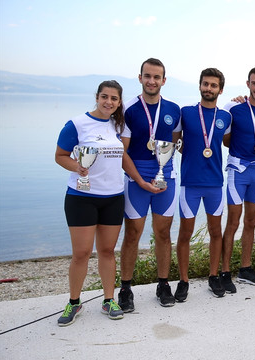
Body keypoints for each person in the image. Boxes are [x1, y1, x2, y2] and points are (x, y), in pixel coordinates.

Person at [55, 80, 126, 326]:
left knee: (107, 252)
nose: (108, 102)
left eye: (114, 99)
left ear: (119, 102)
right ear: (97, 97)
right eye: (104, 96)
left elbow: (123, 156)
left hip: (114, 197)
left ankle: (109, 299)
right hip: (81, 197)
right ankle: (74, 302)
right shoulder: (76, 123)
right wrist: (78, 166)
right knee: (81, 254)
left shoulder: (118, 124)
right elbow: (60, 155)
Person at [118, 58, 182, 310]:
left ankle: (163, 284)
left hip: (167, 179)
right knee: (132, 234)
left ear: (164, 81)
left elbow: (175, 142)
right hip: (136, 179)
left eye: (157, 77)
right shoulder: (128, 108)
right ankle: (125, 288)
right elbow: (122, 153)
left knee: (163, 234)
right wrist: (140, 181)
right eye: (147, 76)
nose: (152, 81)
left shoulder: (174, 109)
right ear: (140, 77)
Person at [176, 68, 232, 299]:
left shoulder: (225, 117)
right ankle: (183, 280)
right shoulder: (186, 113)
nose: (209, 88)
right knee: (185, 234)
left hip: (214, 184)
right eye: (205, 84)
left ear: (220, 89)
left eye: (213, 85)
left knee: (215, 231)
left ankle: (213, 276)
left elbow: (232, 143)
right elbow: (173, 141)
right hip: (189, 183)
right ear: (200, 85)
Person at [220, 67, 255, 291]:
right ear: (248, 84)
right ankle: (224, 271)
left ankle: (245, 269)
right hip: (237, 170)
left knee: (251, 222)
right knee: (233, 222)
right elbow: (224, 140)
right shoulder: (233, 107)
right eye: (254, 83)